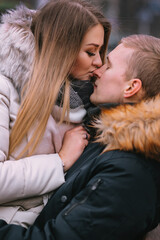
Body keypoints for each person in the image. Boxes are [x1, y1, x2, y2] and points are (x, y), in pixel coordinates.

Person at [0, 34, 160, 239]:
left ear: (131, 87)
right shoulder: (105, 136)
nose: (98, 71)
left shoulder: (130, 174)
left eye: (108, 66)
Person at [0, 0, 111, 227]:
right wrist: (59, 162)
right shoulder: (5, 89)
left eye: (100, 52)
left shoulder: (88, 105)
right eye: (90, 52)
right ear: (62, 48)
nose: (98, 62)